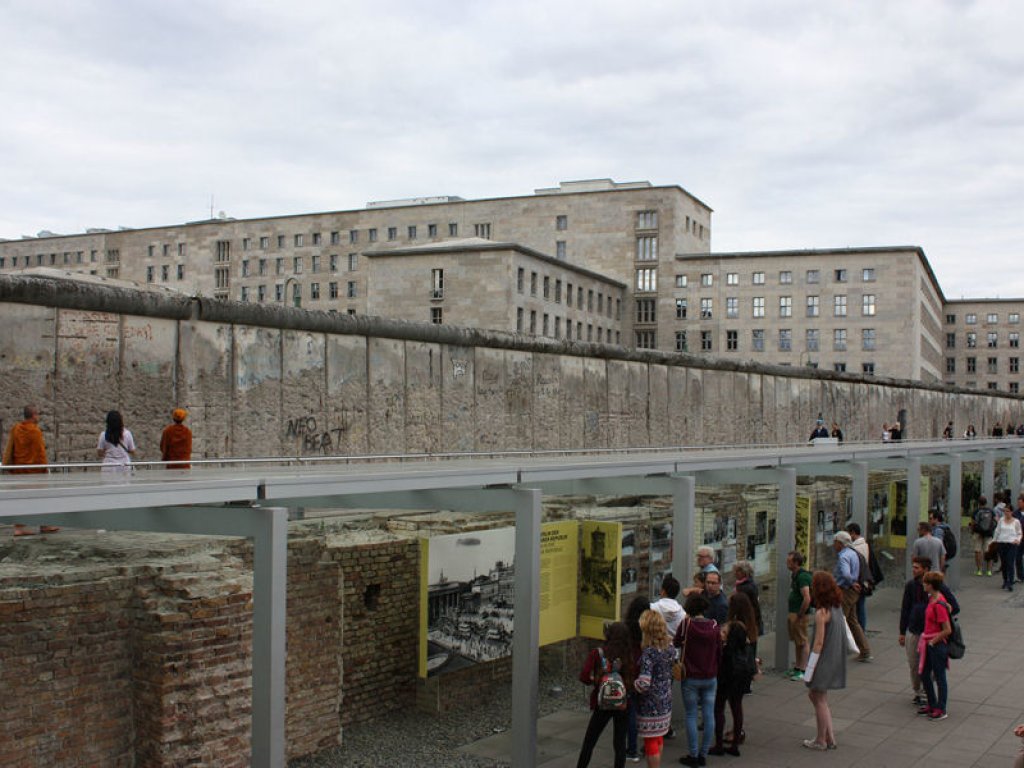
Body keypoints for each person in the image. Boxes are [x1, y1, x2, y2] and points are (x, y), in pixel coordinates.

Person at [899, 556, 959, 708]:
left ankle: (928, 694)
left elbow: (954, 606)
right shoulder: (911, 586)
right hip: (914, 631)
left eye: (917, 567)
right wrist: (901, 631)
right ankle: (918, 692)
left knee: (929, 668)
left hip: (931, 635)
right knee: (914, 664)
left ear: (925, 570)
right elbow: (905, 609)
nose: (913, 570)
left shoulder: (938, 587)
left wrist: (944, 610)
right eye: (913, 567)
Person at [576, 621, 634, 768]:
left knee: (589, 742)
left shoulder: (598, 653)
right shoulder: (628, 653)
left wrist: (596, 681)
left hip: (602, 703)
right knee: (619, 744)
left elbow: (583, 676)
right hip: (623, 704)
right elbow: (633, 678)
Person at [672, 594, 721, 767]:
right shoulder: (715, 625)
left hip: (691, 677)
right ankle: (703, 754)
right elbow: (719, 650)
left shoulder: (686, 625)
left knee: (691, 715)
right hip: (710, 677)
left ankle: (693, 755)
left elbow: (676, 642)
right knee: (709, 715)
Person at [802, 571, 845, 750]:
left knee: (817, 697)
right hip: (834, 657)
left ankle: (821, 739)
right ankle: (830, 737)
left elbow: (818, 642)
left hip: (822, 660)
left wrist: (809, 667)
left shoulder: (821, 612)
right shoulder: (837, 606)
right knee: (820, 697)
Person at [2, 405, 57, 536]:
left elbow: (9, 448)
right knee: (41, 498)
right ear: (33, 416)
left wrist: (5, 465)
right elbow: (40, 452)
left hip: (18, 471)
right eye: (37, 414)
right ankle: (42, 525)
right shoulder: (35, 431)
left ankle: (22, 527)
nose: (38, 417)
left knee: (20, 499)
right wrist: (46, 469)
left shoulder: (16, 429)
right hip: (34, 472)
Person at [708, 607, 755, 758]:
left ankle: (719, 744)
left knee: (719, 709)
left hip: (725, 680)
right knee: (737, 708)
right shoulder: (746, 648)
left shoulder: (725, 650)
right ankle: (735, 743)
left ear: (730, 636)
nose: (720, 634)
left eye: (723, 632)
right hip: (741, 680)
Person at [634, 610, 674, 768]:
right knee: (659, 738)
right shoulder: (669, 647)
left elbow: (644, 683)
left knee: (650, 741)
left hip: (650, 706)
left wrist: (632, 684)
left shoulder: (649, 653)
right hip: (665, 700)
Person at [917, 571, 953, 720]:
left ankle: (941, 708)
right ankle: (932, 703)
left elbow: (947, 629)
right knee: (924, 674)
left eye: (925, 583)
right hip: (929, 643)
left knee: (939, 677)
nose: (923, 585)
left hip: (936, 645)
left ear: (931, 585)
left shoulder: (938, 604)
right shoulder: (932, 599)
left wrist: (932, 642)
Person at [832, 531, 871, 661]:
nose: (833, 545)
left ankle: (837, 652)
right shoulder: (853, 553)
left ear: (840, 543)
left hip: (845, 591)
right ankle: (865, 650)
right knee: (853, 621)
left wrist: (851, 582)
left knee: (839, 621)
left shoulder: (843, 556)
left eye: (835, 542)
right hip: (853, 592)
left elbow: (846, 573)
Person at [624, 595, 651, 763]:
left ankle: (632, 749)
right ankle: (648, 746)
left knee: (631, 713)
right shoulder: (648, 627)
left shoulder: (627, 627)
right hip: (645, 669)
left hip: (631, 670)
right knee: (646, 712)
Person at [785, 550, 813, 682]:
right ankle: (797, 666)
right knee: (797, 641)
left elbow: (807, 598)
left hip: (799, 614)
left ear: (796, 562)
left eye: (789, 561)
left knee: (803, 641)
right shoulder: (795, 575)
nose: (787, 563)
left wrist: (800, 614)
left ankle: (803, 669)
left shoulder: (802, 577)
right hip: (794, 613)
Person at [845, 522, 871, 630]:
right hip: (863, 580)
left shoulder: (855, 548)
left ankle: (860, 631)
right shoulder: (865, 545)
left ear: (853, 533)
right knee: (861, 606)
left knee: (857, 608)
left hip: (857, 581)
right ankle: (861, 630)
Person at [731, 560, 763, 647]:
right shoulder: (748, 584)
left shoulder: (745, 588)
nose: (735, 573)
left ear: (744, 572)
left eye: (737, 571)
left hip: (747, 621)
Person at [993, 501, 1023, 591]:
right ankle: (1005, 580)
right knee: (1004, 563)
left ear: (1011, 512)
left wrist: (1018, 540)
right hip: (1002, 543)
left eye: (1008, 511)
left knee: (1010, 562)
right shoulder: (1001, 520)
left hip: (1011, 544)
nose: (1006, 513)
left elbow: (1019, 533)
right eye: (1005, 511)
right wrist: (994, 541)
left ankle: (1010, 582)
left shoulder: (1016, 522)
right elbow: (997, 531)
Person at [97, 410, 136, 474]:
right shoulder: (127, 434)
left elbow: (99, 453)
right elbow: (132, 451)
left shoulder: (103, 435)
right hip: (124, 465)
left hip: (108, 465)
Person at [971, 495, 996, 577]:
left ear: (978, 503)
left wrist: (972, 531)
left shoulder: (976, 511)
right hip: (988, 533)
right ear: (986, 503)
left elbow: (973, 523)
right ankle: (989, 571)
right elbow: (996, 520)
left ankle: (979, 570)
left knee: (978, 551)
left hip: (978, 533)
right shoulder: (991, 511)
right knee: (988, 551)